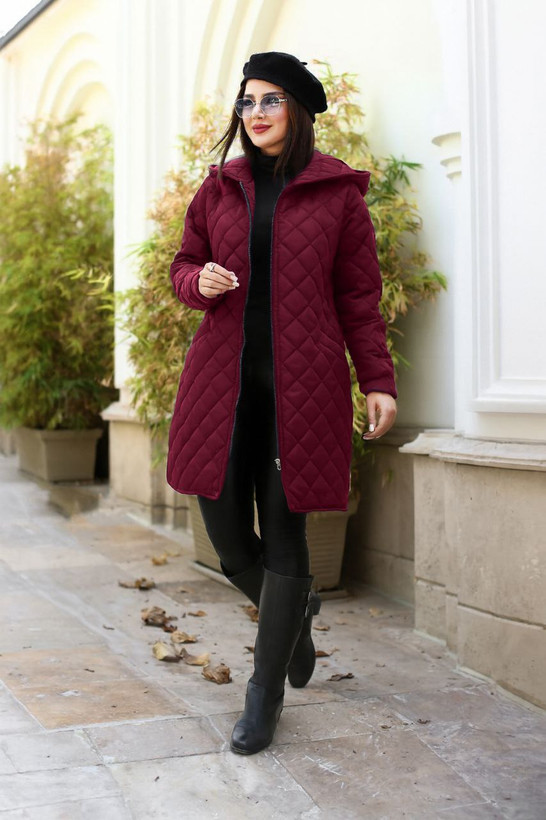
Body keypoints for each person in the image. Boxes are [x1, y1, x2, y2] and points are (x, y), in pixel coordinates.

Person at [166, 51, 397, 755]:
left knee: (287, 536)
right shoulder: (218, 188)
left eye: (270, 100)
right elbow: (181, 265)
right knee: (229, 539)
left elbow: (359, 297)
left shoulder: (338, 195)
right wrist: (197, 283)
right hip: (221, 389)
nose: (256, 113)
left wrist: (377, 380)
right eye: (247, 101)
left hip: (302, 394)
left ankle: (263, 697)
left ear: (297, 109)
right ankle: (294, 614)